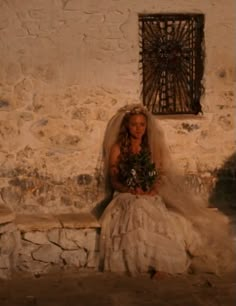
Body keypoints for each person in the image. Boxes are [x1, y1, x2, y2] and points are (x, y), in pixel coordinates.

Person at [99, 104, 235, 277]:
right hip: (125, 193)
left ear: (147, 126)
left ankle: (161, 263)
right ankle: (140, 260)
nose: (138, 129)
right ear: (127, 126)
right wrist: (130, 189)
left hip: (148, 193)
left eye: (142, 124)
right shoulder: (118, 148)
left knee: (157, 216)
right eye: (134, 124)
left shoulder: (151, 148)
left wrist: (151, 189)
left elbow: (159, 174)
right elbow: (114, 179)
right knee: (136, 209)